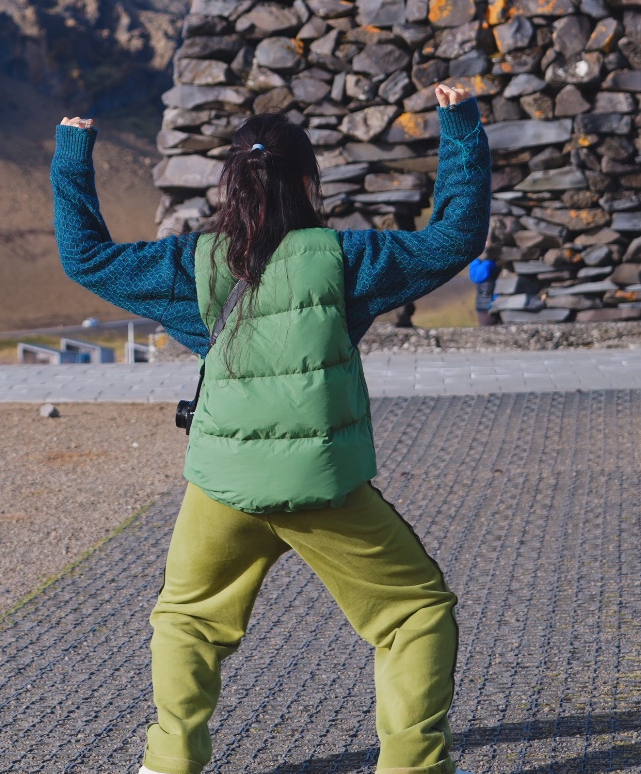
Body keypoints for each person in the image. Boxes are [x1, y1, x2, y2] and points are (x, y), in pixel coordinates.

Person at [53, 84, 489, 774]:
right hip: (326, 489)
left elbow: (86, 258)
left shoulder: (192, 265)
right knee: (415, 614)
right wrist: (460, 129)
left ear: (231, 181)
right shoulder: (351, 260)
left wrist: (73, 152)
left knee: (187, 621)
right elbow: (454, 237)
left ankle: (169, 764)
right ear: (309, 181)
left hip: (221, 489)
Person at [469, 246, 499, 327]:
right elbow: (476, 277)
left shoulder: (490, 264)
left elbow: (477, 277)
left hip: (491, 304)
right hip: (486, 305)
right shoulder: (486, 263)